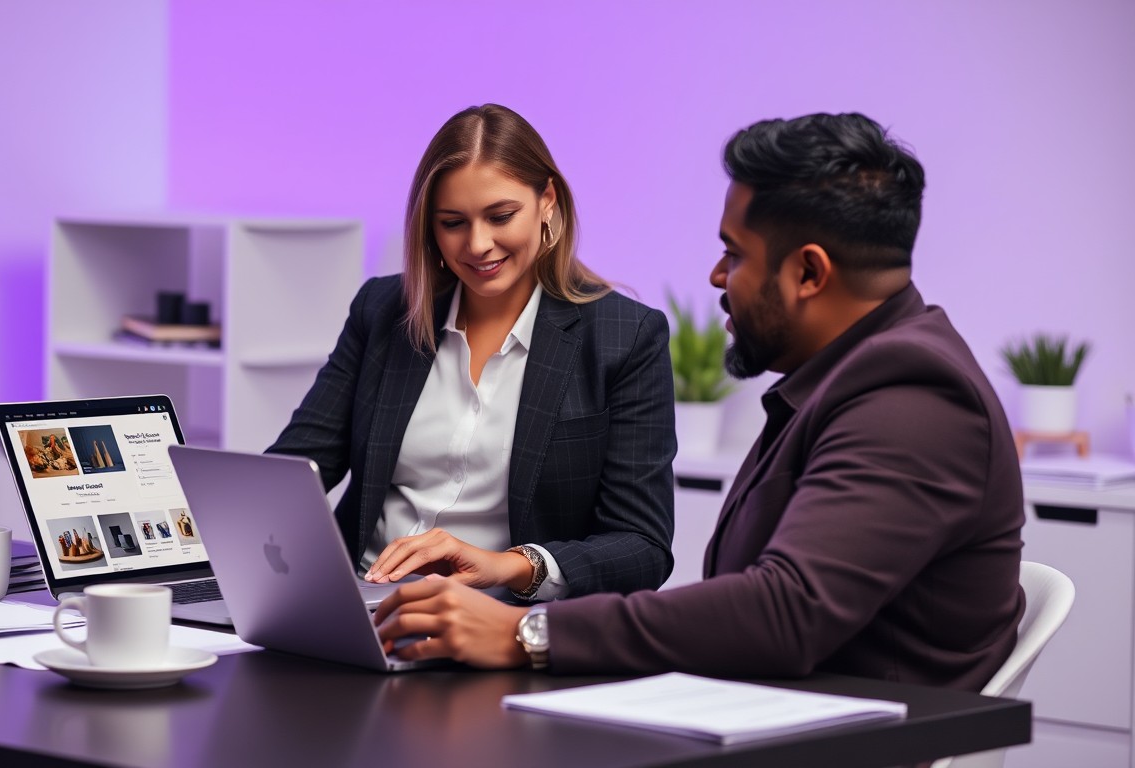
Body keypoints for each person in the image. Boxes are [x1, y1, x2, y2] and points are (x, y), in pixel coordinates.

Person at [374, 112, 1027, 692]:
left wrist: (527, 634)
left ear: (808, 272)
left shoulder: (912, 400)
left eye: (733, 254)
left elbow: (785, 612)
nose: (717, 277)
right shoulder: (846, 379)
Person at [267, 104, 676, 601]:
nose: (478, 244)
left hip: (497, 620)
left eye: (500, 216)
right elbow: (293, 472)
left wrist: (509, 566)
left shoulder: (625, 336)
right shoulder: (382, 311)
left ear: (547, 200)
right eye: (453, 222)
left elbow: (643, 546)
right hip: (360, 600)